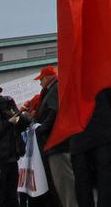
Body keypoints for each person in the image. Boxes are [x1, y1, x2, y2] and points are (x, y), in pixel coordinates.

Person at [33, 67, 78, 207]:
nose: (40, 82)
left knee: (64, 183)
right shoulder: (53, 90)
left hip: (57, 143)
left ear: (47, 78)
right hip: (57, 143)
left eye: (41, 79)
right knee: (63, 183)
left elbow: (54, 111)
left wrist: (41, 128)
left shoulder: (54, 89)